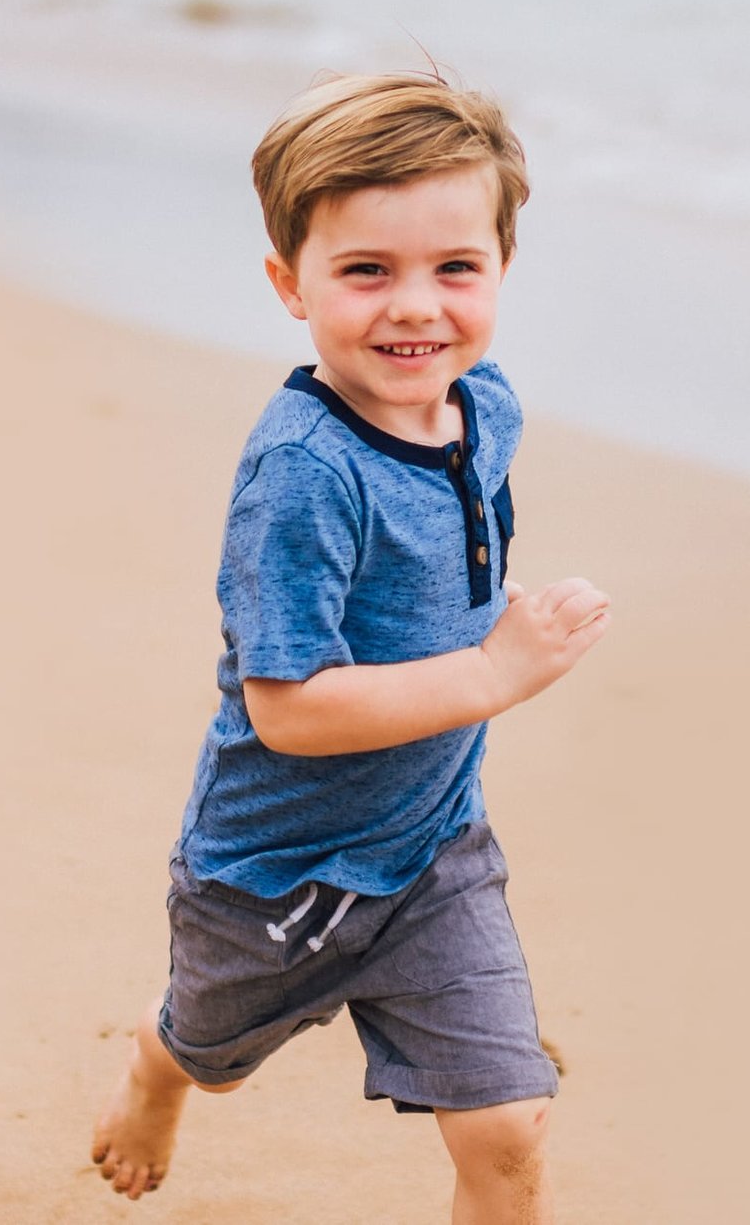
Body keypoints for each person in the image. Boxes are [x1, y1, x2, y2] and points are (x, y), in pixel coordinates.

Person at [91, 70, 612, 1222]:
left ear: (501, 271)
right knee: (213, 1041)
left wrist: (494, 606)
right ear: (291, 283)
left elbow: (452, 546)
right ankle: (156, 1063)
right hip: (277, 871)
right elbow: (289, 708)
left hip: (432, 848)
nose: (416, 307)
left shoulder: (488, 410)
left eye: (454, 269)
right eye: (367, 270)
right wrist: (492, 672)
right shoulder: (302, 475)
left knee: (508, 1126)